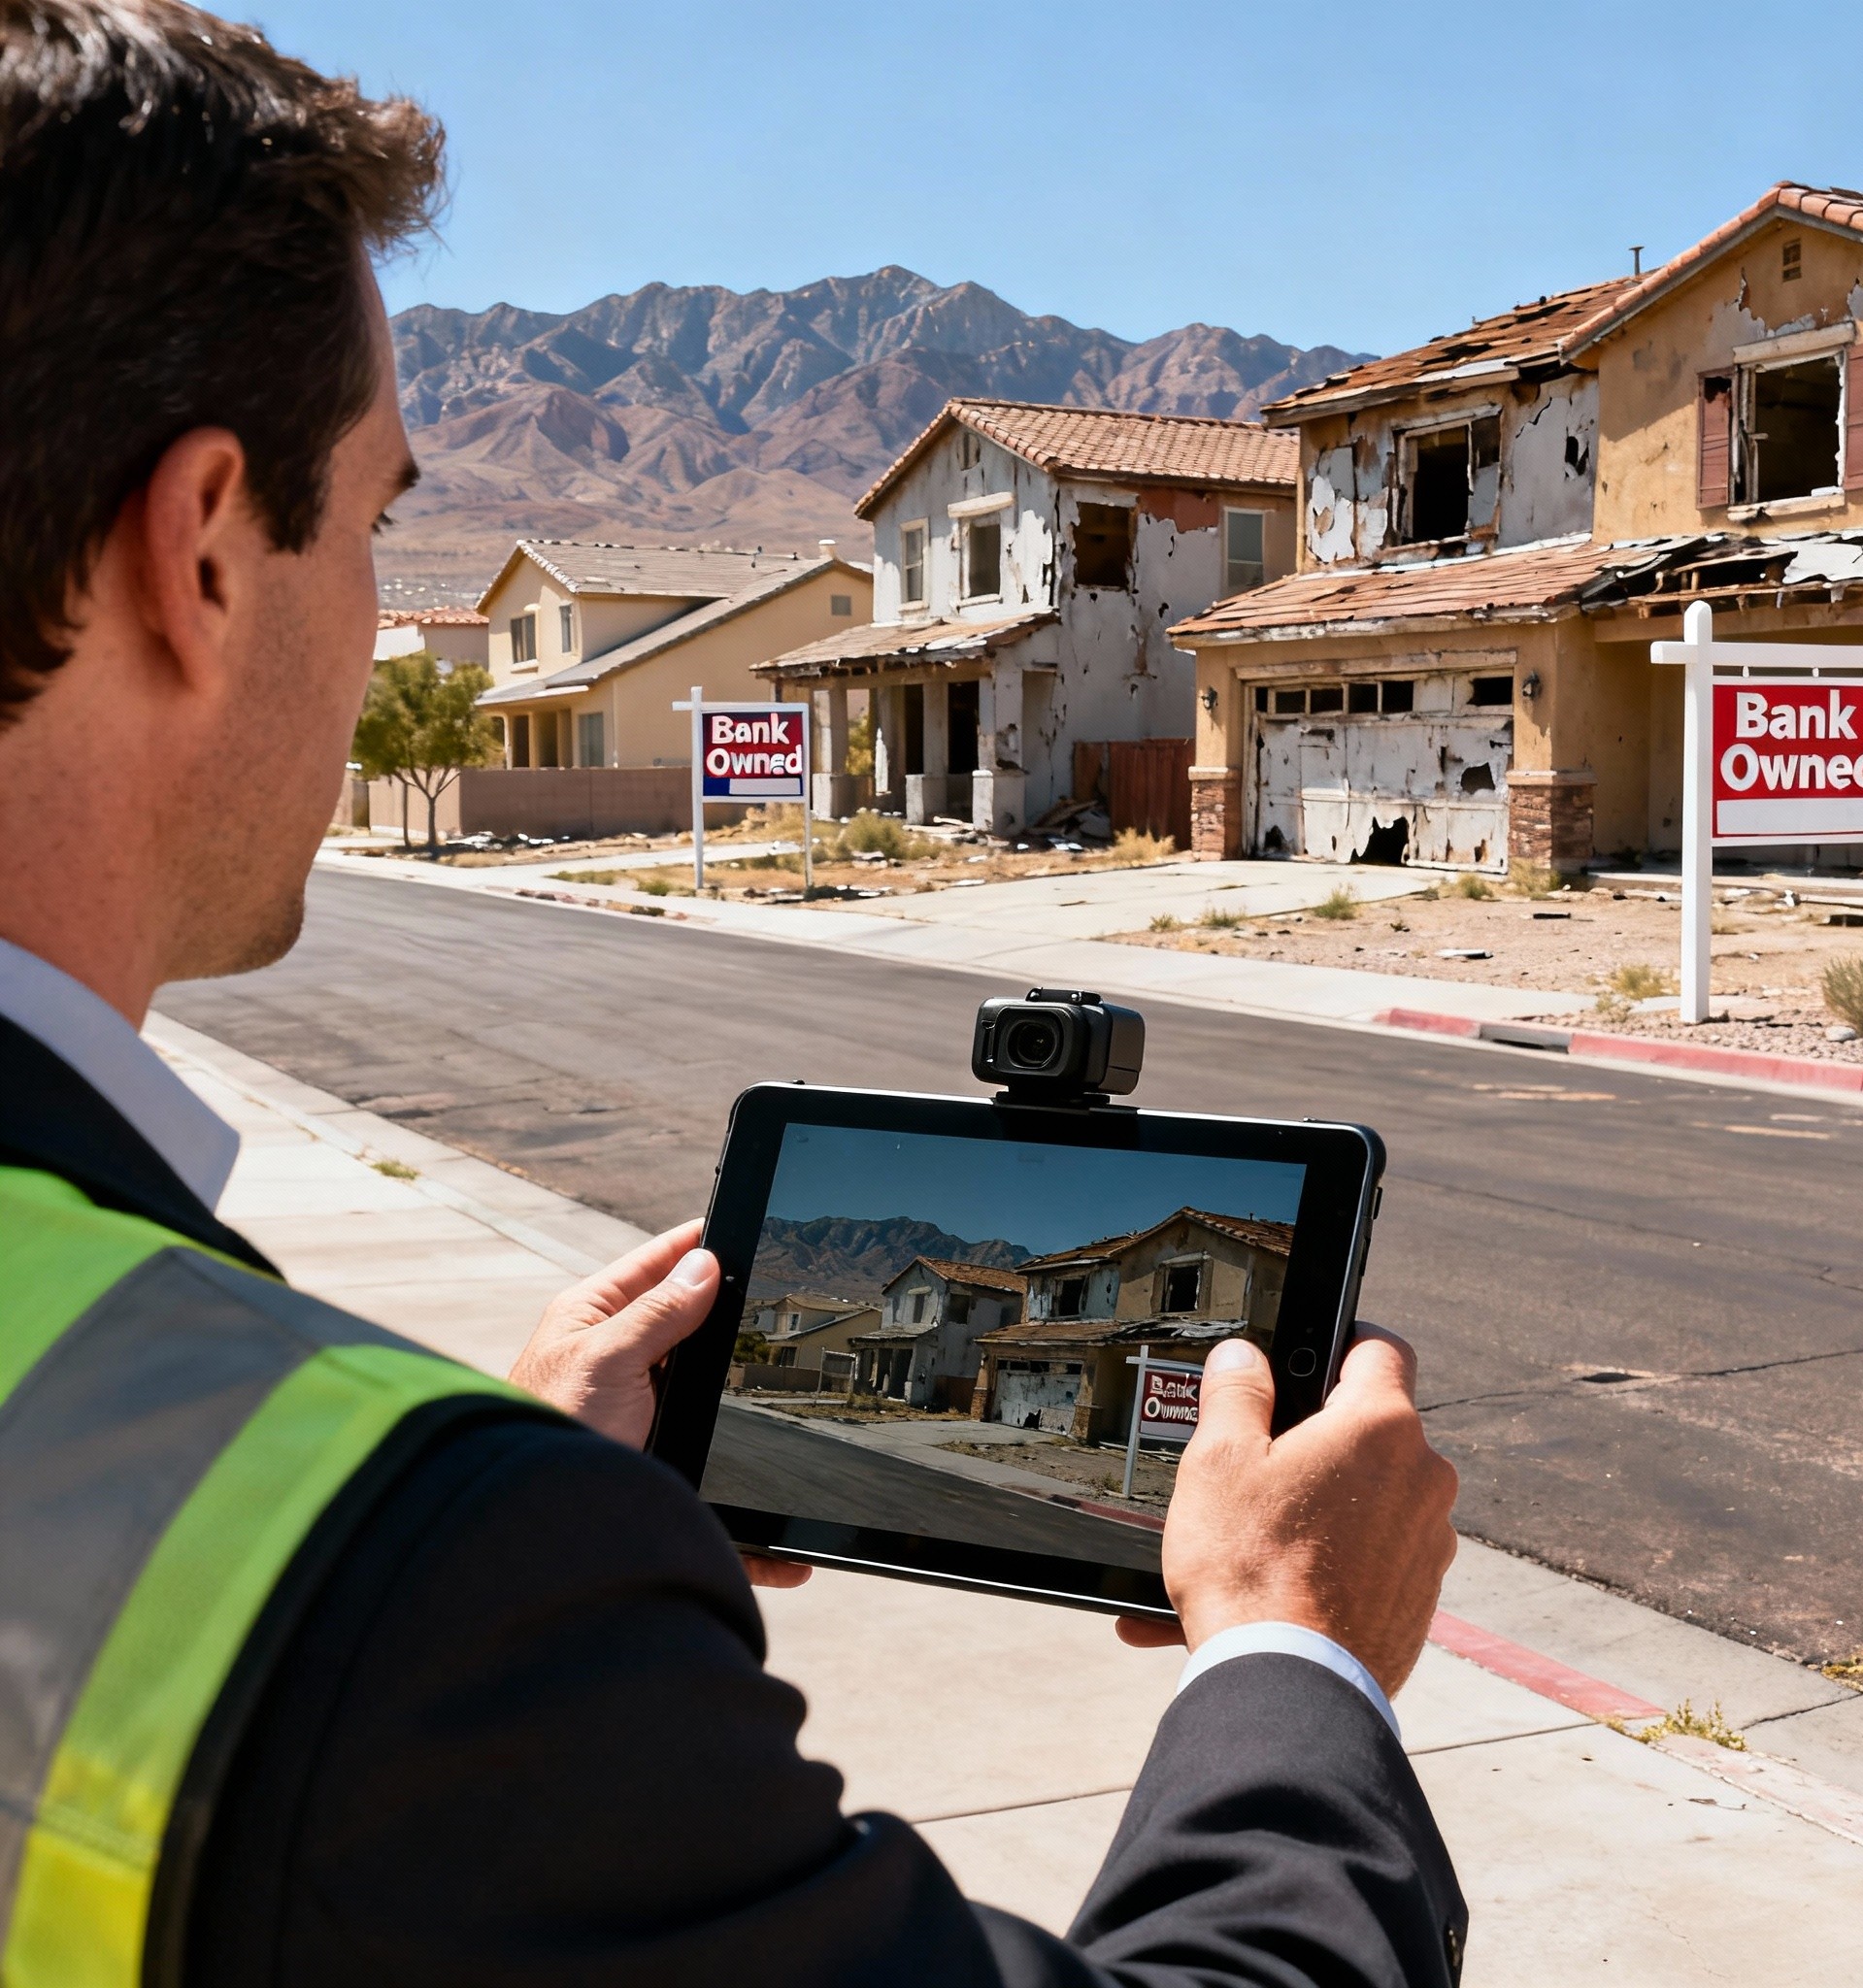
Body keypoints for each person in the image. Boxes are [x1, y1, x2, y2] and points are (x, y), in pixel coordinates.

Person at [0, 3, 1468, 1982]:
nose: (371, 618)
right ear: (197, 555)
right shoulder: (407, 1592)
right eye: (374, 520)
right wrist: (1297, 1659)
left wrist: (498, 1475)